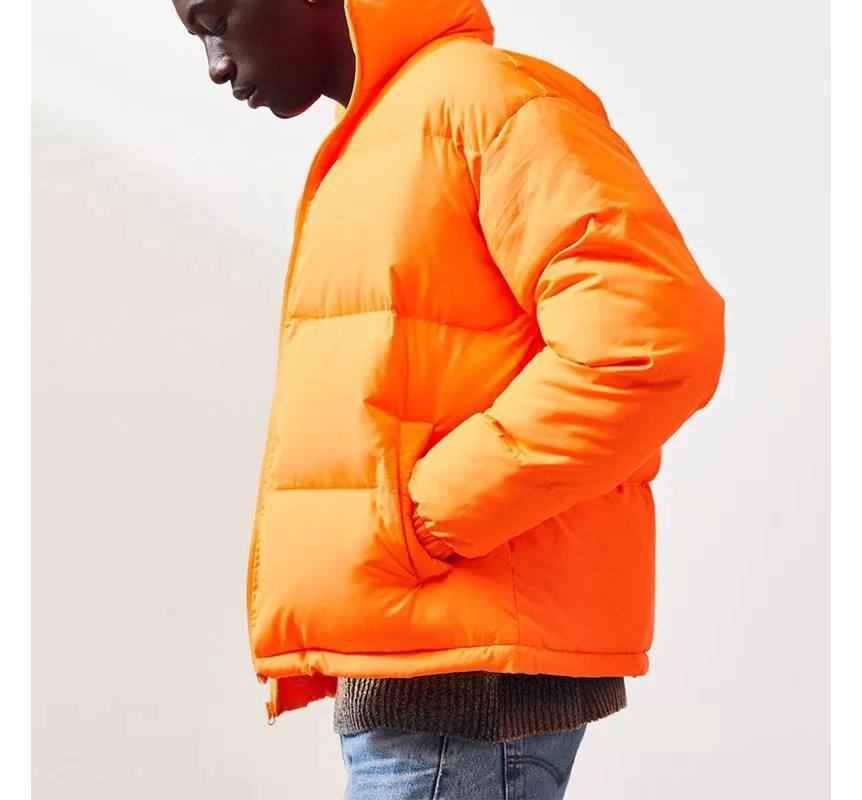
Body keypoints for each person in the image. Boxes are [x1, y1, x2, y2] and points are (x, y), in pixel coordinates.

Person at [172, 1, 726, 798]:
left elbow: (651, 341)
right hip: (422, 668)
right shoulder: (389, 132)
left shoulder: (487, 105)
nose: (217, 64)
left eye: (216, 20)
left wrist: (424, 519)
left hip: (464, 686)